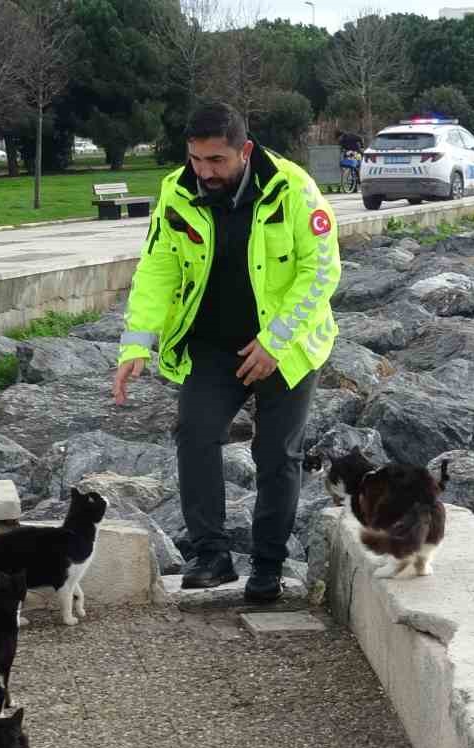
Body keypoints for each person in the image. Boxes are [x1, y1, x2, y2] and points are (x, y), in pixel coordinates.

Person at [113, 102, 341, 602]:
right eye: (195, 159)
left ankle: (268, 565)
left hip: (288, 345)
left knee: (277, 454)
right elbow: (158, 268)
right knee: (194, 433)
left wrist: (275, 343)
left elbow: (321, 272)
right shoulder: (177, 190)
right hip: (214, 346)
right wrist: (137, 342)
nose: (203, 172)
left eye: (215, 161)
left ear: (245, 150)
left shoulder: (294, 189)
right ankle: (210, 556)